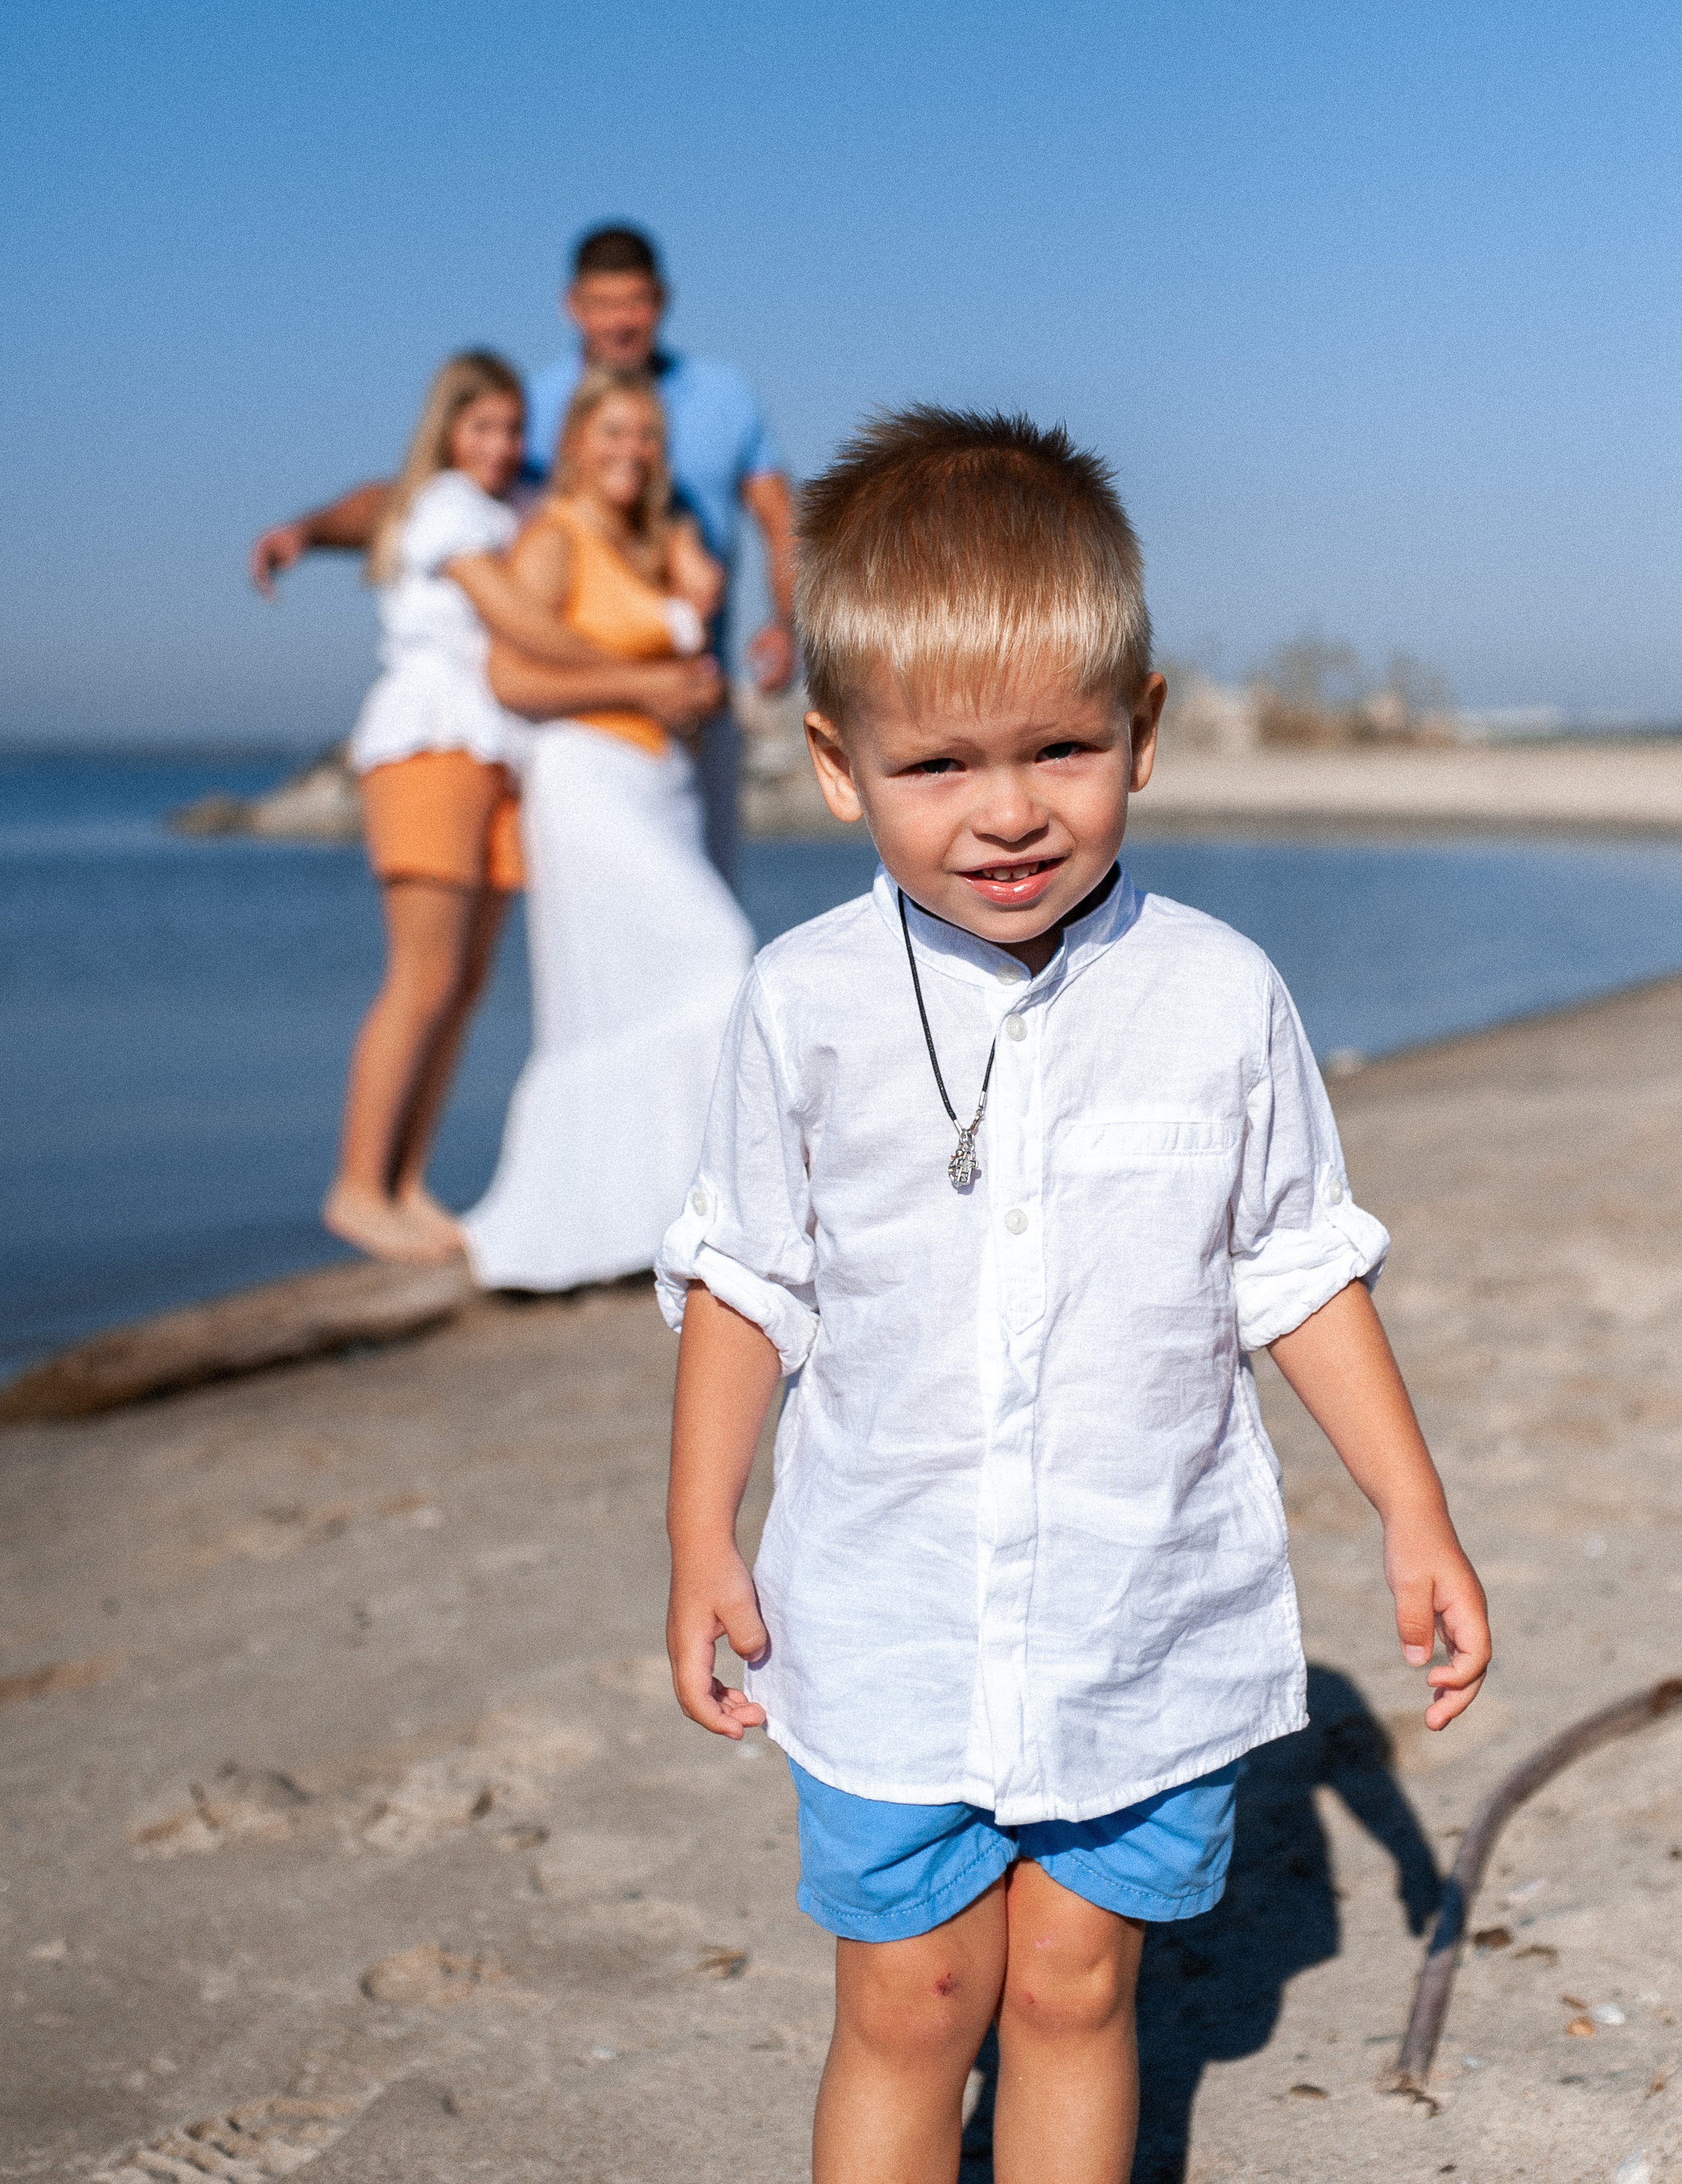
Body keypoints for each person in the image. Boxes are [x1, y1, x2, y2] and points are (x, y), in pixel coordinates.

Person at [660, 408, 1491, 2183]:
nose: (1011, 808)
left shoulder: (1219, 993)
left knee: (1072, 1985)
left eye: (1060, 746)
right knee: (909, 1996)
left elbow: (1296, 1266)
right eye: (940, 764)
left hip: (1139, 1611)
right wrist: (699, 1528)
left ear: (1146, 730)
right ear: (834, 764)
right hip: (890, 1609)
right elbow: (749, 1278)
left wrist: (1411, 1508)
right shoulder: (803, 1003)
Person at [248, 223, 796, 883]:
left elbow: (777, 517)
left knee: (713, 900)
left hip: (693, 692)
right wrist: (307, 531)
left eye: (636, 302)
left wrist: (787, 621)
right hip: (587, 702)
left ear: (662, 301)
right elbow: (410, 495)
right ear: (573, 305)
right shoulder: (533, 410)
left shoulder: (723, 396)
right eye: (603, 303)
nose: (620, 321)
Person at [326, 351, 721, 1264]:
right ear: (446, 432)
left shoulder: (508, 505)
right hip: (432, 738)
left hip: (494, 754)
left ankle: (407, 1183)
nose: (500, 447)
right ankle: (356, 1186)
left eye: (512, 429)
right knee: (422, 975)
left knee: (461, 986)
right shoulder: (452, 509)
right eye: (481, 429)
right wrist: (649, 666)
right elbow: (521, 628)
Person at [460, 369, 755, 1291]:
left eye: (649, 436)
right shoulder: (556, 536)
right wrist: (644, 685)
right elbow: (510, 679)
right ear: (579, 441)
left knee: (641, 1000)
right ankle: (625, 1218)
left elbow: (684, 654)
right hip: (587, 786)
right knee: (722, 958)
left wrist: (693, 629)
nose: (631, 450)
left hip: (661, 785)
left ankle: (652, 1224)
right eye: (614, 432)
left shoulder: (658, 541)